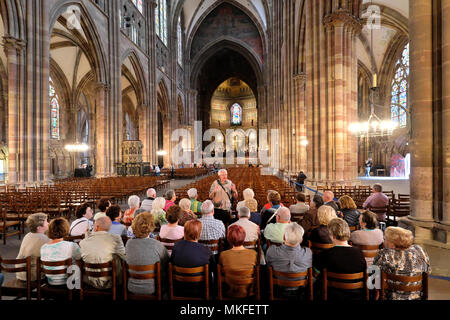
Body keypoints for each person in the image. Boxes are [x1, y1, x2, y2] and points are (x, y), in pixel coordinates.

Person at [315, 218, 367, 300]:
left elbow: (316, 273)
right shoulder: (359, 253)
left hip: (332, 295)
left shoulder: (325, 254)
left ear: (332, 235)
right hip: (356, 295)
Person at [373, 227, 431, 300]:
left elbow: (374, 277)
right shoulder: (419, 250)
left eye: (386, 239)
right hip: (416, 296)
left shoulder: (385, 254)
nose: (384, 241)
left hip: (392, 297)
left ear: (392, 244)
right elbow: (428, 271)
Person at [125, 212, 169, 295]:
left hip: (131, 287)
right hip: (153, 288)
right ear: (151, 226)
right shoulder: (157, 244)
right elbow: (167, 262)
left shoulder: (128, 244)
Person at [266, 223, 312, 299]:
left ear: (284, 237)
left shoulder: (272, 251)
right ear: (301, 240)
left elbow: (267, 269)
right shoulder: (308, 253)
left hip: (278, 289)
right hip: (301, 291)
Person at [79, 216, 126, 289]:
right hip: (109, 280)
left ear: (96, 227)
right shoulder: (115, 238)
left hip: (89, 280)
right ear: (109, 228)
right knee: (117, 257)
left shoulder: (83, 242)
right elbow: (124, 256)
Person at [219, 225, 257, 298]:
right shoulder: (253, 254)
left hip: (229, 290)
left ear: (228, 238)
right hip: (248, 291)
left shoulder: (223, 255)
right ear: (244, 237)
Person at [40, 218, 81, 286]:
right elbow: (80, 261)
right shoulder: (72, 245)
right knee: (79, 265)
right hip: (70, 282)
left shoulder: (43, 247)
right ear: (66, 229)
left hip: (50, 281)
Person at [16, 213, 50, 281]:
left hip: (21, 272)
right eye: (46, 222)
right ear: (39, 228)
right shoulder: (44, 239)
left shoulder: (28, 235)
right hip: (33, 275)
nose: (48, 223)